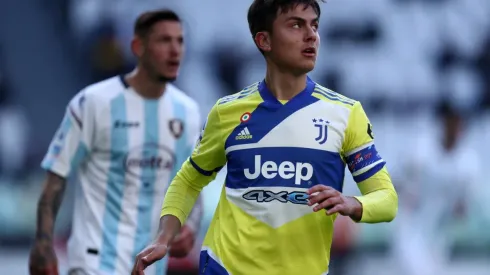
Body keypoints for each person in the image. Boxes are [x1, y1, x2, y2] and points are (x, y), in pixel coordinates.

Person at [133, 1, 398, 274]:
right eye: (296, 25)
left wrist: (353, 204)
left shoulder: (346, 114)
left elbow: (387, 200)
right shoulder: (228, 112)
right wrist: (164, 238)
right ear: (264, 40)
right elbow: (189, 179)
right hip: (225, 267)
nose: (311, 35)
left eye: (314, 25)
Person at [29, 9, 203, 275]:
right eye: (164, 41)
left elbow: (191, 183)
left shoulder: (187, 112)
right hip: (93, 264)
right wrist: (43, 242)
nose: (174, 50)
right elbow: (56, 177)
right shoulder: (94, 102)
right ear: (138, 47)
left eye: (180, 41)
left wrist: (190, 225)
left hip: (152, 267)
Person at [391, 102, 480, 275]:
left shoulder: (468, 164)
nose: (453, 130)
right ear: (443, 124)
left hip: (439, 235)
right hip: (410, 226)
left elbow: (463, 207)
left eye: (458, 126)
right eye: (450, 124)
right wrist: (404, 193)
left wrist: (457, 209)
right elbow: (394, 179)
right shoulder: (420, 151)